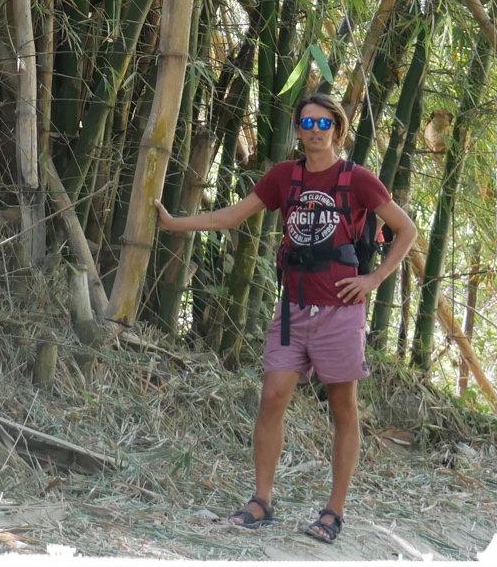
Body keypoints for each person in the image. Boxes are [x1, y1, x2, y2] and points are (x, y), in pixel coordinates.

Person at [154, 92, 417, 544]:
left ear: (337, 129)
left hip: (340, 310)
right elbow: (232, 217)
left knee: (343, 408)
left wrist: (373, 280)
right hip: (293, 308)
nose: (315, 132)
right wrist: (173, 222)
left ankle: (333, 512)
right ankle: (261, 500)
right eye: (306, 124)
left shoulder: (357, 179)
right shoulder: (283, 176)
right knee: (273, 396)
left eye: (323, 124)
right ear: (297, 130)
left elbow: (406, 229)